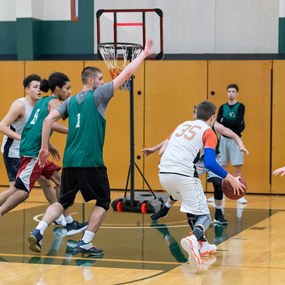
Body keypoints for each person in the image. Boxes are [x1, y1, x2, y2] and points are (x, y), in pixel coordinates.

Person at [27, 39, 155, 256]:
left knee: (64, 200)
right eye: (101, 78)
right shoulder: (99, 95)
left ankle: (38, 231)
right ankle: (86, 242)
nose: (104, 81)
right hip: (90, 160)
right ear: (91, 80)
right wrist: (143, 55)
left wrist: (44, 148)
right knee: (104, 201)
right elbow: (125, 75)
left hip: (70, 161)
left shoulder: (71, 101)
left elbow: (48, 121)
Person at [157, 100, 245, 270]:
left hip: (163, 175)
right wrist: (231, 179)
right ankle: (194, 238)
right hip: (183, 175)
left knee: (192, 206)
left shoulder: (182, 125)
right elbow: (211, 163)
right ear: (213, 117)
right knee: (204, 216)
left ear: (196, 114)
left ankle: (203, 244)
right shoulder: (208, 132)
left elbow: (163, 149)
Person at [0, 72, 87, 235]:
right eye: (67, 88)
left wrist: (49, 145)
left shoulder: (43, 101)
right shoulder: (52, 102)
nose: (69, 92)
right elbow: (50, 124)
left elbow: (38, 127)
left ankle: (68, 222)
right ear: (57, 88)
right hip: (32, 151)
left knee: (59, 180)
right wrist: (73, 131)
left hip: (33, 148)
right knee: (21, 191)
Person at [143, 106, 249, 225]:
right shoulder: (191, 127)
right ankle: (166, 209)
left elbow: (233, 134)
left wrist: (241, 145)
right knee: (183, 186)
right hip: (196, 161)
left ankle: (219, 213)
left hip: (212, 158)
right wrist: (153, 149)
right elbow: (169, 139)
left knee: (218, 183)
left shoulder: (213, 126)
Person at [216, 83, 247, 204]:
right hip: (223, 139)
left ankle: (240, 193)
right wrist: (227, 123)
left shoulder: (240, 106)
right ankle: (221, 193)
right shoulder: (222, 107)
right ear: (226, 93)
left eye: (233, 91)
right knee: (223, 167)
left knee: (237, 167)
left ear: (237, 93)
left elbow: (238, 123)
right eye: (229, 91)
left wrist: (225, 121)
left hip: (235, 140)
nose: (231, 93)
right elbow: (218, 123)